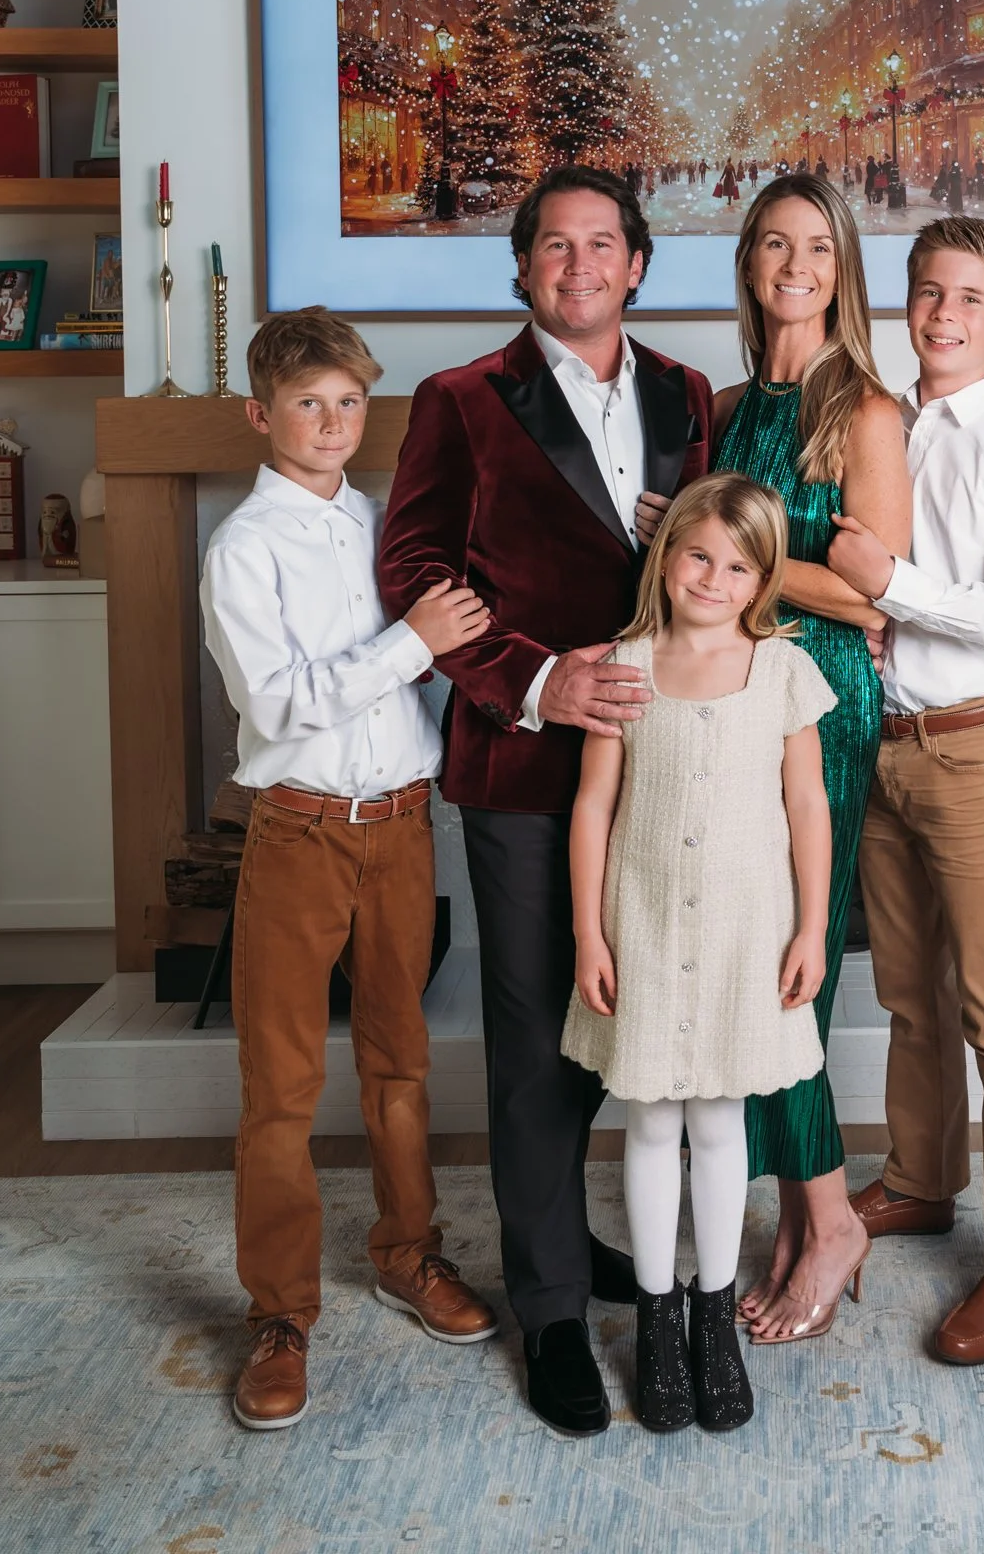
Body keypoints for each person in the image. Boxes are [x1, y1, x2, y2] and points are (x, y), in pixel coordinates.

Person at [379, 166, 713, 1436]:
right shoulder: (460, 401)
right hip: (524, 771)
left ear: (637, 265)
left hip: (669, 765)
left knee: (633, 1021)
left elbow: (715, 552)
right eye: (554, 246)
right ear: (521, 270)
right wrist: (531, 683)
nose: (579, 264)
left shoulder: (689, 395)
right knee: (533, 1045)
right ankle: (556, 1311)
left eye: (603, 243)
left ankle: (576, 1243)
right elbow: (410, 568)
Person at [200, 308, 497, 1433]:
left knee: (400, 1060)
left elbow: (407, 677)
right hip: (301, 832)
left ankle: (407, 1253)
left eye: (349, 404)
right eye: (308, 404)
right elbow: (277, 705)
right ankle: (278, 1313)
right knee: (279, 1086)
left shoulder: (380, 526)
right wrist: (414, 641)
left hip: (405, 823)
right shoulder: (243, 549)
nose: (330, 424)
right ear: (261, 415)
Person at [828, 215, 984, 1367]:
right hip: (883, 745)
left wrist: (891, 583)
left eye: (968, 298)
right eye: (928, 291)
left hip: (973, 749)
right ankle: (922, 1180)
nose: (942, 314)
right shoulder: (878, 423)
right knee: (912, 994)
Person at [561, 474, 839, 1431]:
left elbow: (808, 805)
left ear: (761, 579)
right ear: (666, 552)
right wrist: (587, 932)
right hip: (641, 925)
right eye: (698, 556)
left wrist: (810, 926)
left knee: (718, 1122)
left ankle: (713, 1315)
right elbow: (593, 803)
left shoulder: (783, 670)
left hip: (741, 933)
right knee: (647, 1123)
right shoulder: (623, 663)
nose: (714, 579)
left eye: (738, 565)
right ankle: (655, 1313)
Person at [711, 174, 911, 1343]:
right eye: (776, 244)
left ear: (843, 270)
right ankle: (797, 1219)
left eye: (819, 247)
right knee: (754, 969)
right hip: (738, 708)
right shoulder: (733, 404)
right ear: (749, 262)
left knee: (793, 980)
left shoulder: (865, 411)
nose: (796, 264)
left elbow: (871, 601)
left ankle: (832, 1220)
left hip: (824, 709)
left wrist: (729, 547)